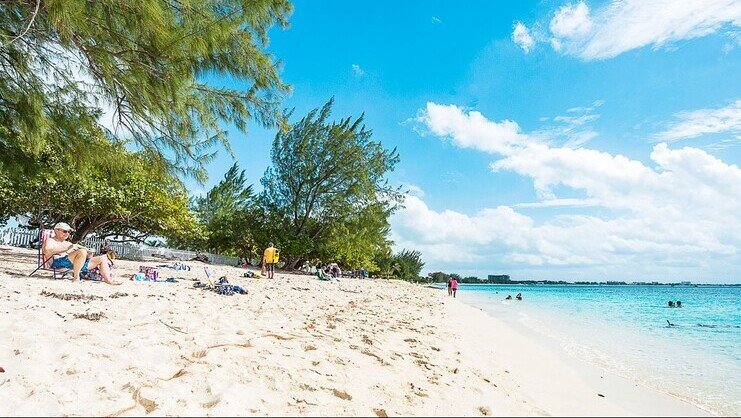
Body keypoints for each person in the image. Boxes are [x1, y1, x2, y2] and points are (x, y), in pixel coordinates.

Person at [42, 222, 120, 285]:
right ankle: (76, 277)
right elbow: (47, 251)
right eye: (64, 231)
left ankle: (108, 280)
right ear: (56, 231)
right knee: (81, 251)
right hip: (57, 263)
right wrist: (67, 249)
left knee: (102, 258)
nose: (67, 234)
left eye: (69, 232)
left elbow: (88, 257)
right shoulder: (51, 240)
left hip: (74, 264)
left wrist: (89, 253)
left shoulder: (68, 243)